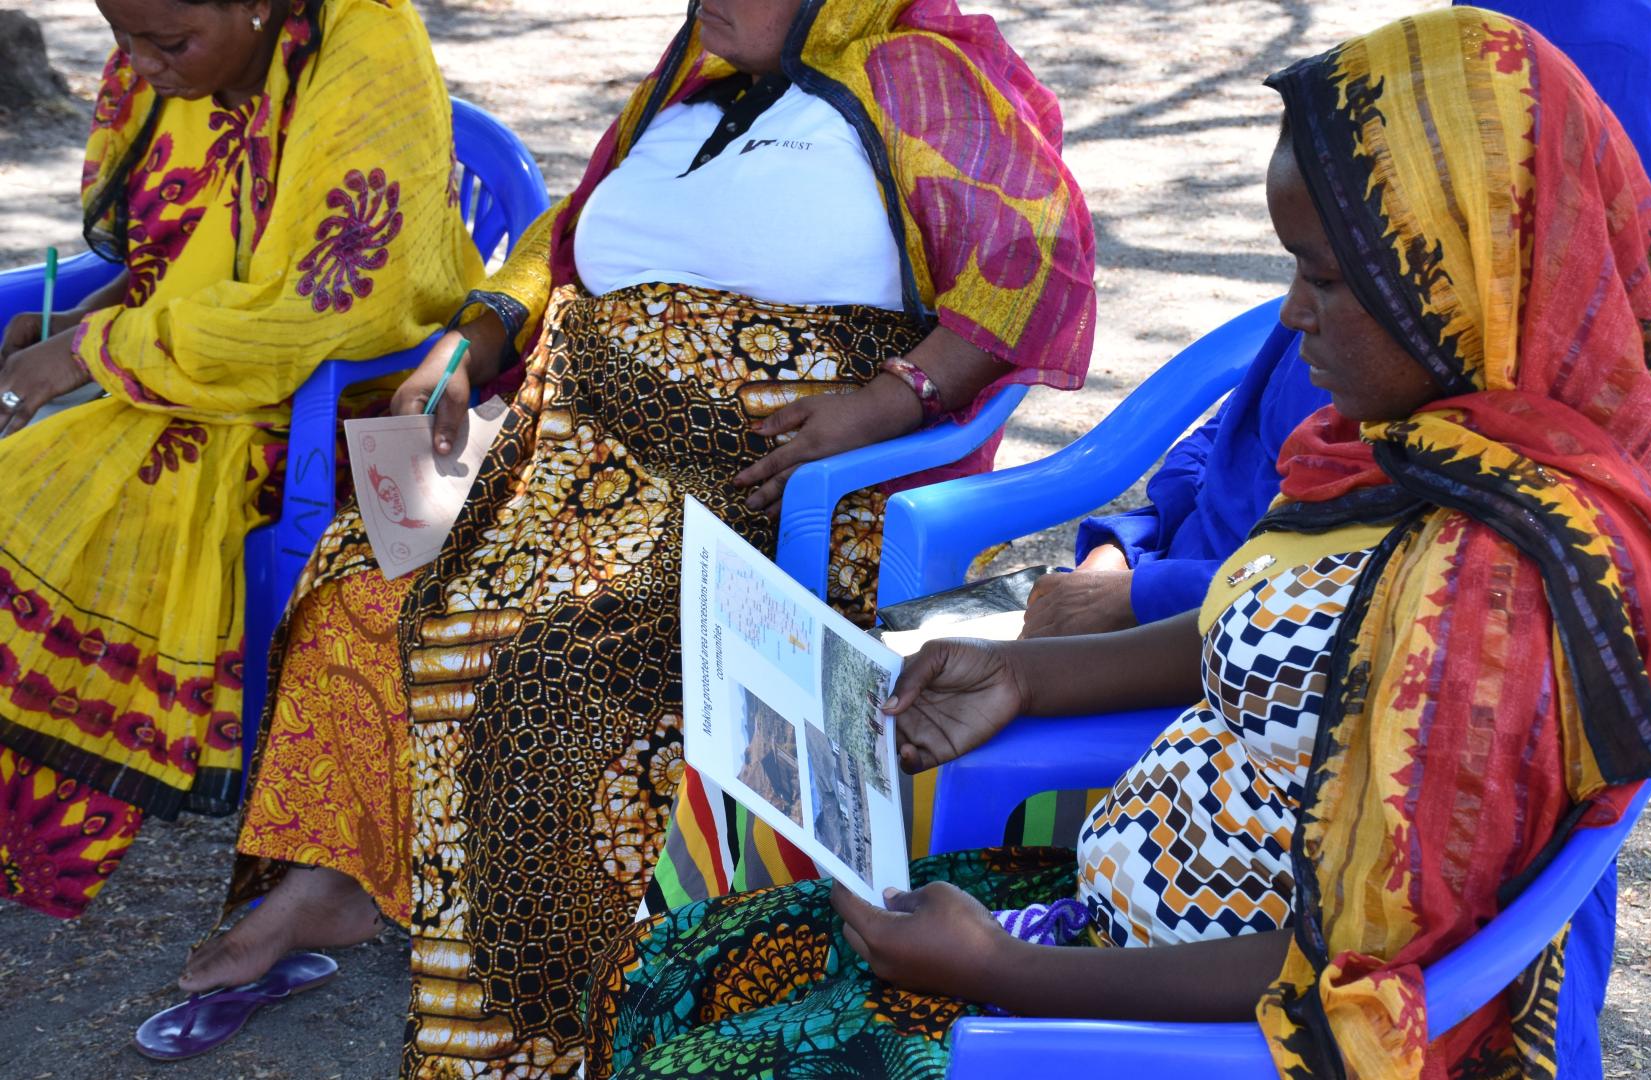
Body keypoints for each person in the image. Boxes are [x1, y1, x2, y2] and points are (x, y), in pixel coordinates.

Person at [581, 8, 1651, 1078]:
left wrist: (999, 973)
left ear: (1467, 276)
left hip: (1155, 1022)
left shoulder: (1494, 594)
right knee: (664, 971)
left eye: (1328, 279)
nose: (1288, 316)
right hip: (1108, 925)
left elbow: (1342, 981)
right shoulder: (1417, 449)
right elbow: (1277, 642)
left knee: (691, 1038)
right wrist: (1024, 675)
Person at [181, 0, 1096, 1075]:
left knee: (532, 656)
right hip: (575, 440)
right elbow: (567, 238)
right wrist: (468, 347)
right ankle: (334, 882)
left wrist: (891, 402)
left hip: (754, 473)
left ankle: (530, 1030)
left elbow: (1032, 263)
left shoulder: (920, 71)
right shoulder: (692, 78)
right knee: (358, 580)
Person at [0, 0, 477, 920]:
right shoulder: (179, 53)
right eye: (121, 36)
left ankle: (41, 819)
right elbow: (187, 260)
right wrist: (83, 322)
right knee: (40, 481)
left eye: (169, 43)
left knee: (38, 495)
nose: (139, 68)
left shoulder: (367, 49)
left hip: (332, 401)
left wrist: (87, 354)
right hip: (199, 367)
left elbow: (329, 309)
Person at [1023, 0, 1651, 642]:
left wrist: (1130, 600)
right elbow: (1228, 441)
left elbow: (1326, 612)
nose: (1291, 308)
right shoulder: (1359, 305)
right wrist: (1122, 550)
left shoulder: (1475, 472)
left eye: (1317, 276)